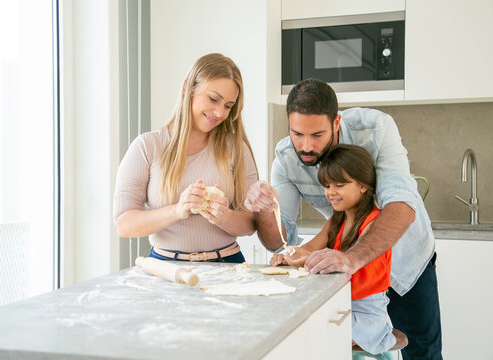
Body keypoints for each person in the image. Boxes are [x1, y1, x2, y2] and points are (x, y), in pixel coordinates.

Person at [245, 79, 442, 359]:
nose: (306, 146)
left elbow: (401, 206)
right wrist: (263, 210)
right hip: (351, 276)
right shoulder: (286, 159)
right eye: (297, 134)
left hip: (406, 263)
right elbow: (281, 239)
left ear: (336, 122)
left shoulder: (375, 129)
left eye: (317, 135)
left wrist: (352, 258)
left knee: (422, 352)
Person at [113, 53, 258, 263]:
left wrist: (224, 216)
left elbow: (252, 224)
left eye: (228, 106)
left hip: (228, 264)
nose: (219, 112)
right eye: (213, 99)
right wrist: (177, 210)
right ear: (187, 88)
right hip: (166, 268)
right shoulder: (147, 146)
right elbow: (124, 225)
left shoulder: (236, 148)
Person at [272, 144, 396, 354]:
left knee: (305, 334)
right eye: (327, 186)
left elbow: (347, 261)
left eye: (339, 185)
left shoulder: (375, 223)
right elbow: (308, 249)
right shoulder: (336, 221)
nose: (331, 193)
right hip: (338, 304)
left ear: (363, 186)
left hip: (368, 315)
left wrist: (303, 260)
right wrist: (288, 256)